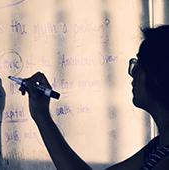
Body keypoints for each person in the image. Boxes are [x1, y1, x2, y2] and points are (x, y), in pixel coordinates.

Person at [20, 25, 169, 170]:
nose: (132, 74)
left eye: (138, 65)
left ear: (157, 75)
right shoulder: (158, 147)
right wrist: (42, 115)